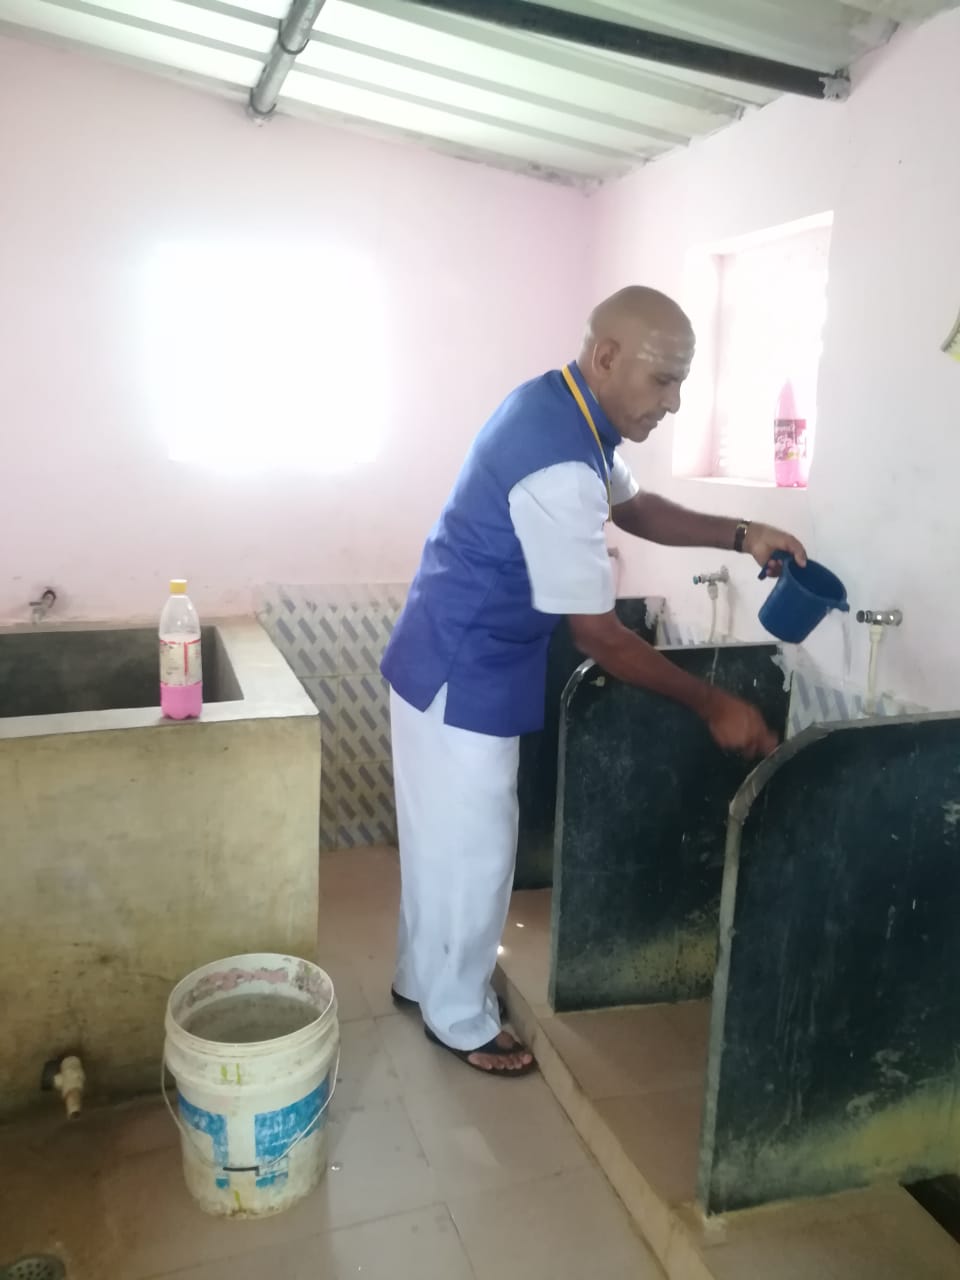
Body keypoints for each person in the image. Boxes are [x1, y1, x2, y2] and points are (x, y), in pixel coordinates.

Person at [381, 286, 807, 1077]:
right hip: (459, 668)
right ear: (606, 357)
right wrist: (714, 703)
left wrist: (741, 532)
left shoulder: (566, 409)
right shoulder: (556, 461)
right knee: (474, 852)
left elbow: (634, 509)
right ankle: (460, 1018)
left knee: (443, 843)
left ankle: (423, 982)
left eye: (683, 383)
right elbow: (601, 637)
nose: (674, 403)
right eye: (662, 380)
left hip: (446, 650)